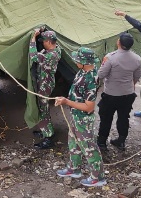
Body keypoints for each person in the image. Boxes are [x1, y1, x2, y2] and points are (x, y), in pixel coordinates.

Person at [54, 47, 107, 187]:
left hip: (83, 119)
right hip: (76, 116)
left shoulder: (90, 79)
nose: (75, 60)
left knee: (89, 147)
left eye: (78, 59)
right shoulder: (83, 71)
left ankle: (98, 177)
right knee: (74, 142)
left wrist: (66, 101)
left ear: (85, 62)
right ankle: (74, 168)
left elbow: (89, 107)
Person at [97, 33, 141, 150]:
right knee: (123, 118)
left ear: (119, 43)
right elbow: (137, 76)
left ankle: (102, 143)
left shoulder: (111, 57)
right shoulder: (137, 59)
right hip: (127, 94)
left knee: (106, 118)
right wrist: (129, 86)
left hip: (111, 94)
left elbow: (101, 74)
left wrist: (102, 64)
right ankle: (121, 141)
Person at [29, 29, 62, 149]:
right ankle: (46, 129)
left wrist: (33, 38)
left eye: (44, 41)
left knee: (44, 110)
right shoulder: (57, 49)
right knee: (44, 108)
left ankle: (48, 137)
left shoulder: (50, 55)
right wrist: (42, 31)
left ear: (49, 42)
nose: (42, 43)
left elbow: (33, 56)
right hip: (48, 82)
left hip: (45, 85)